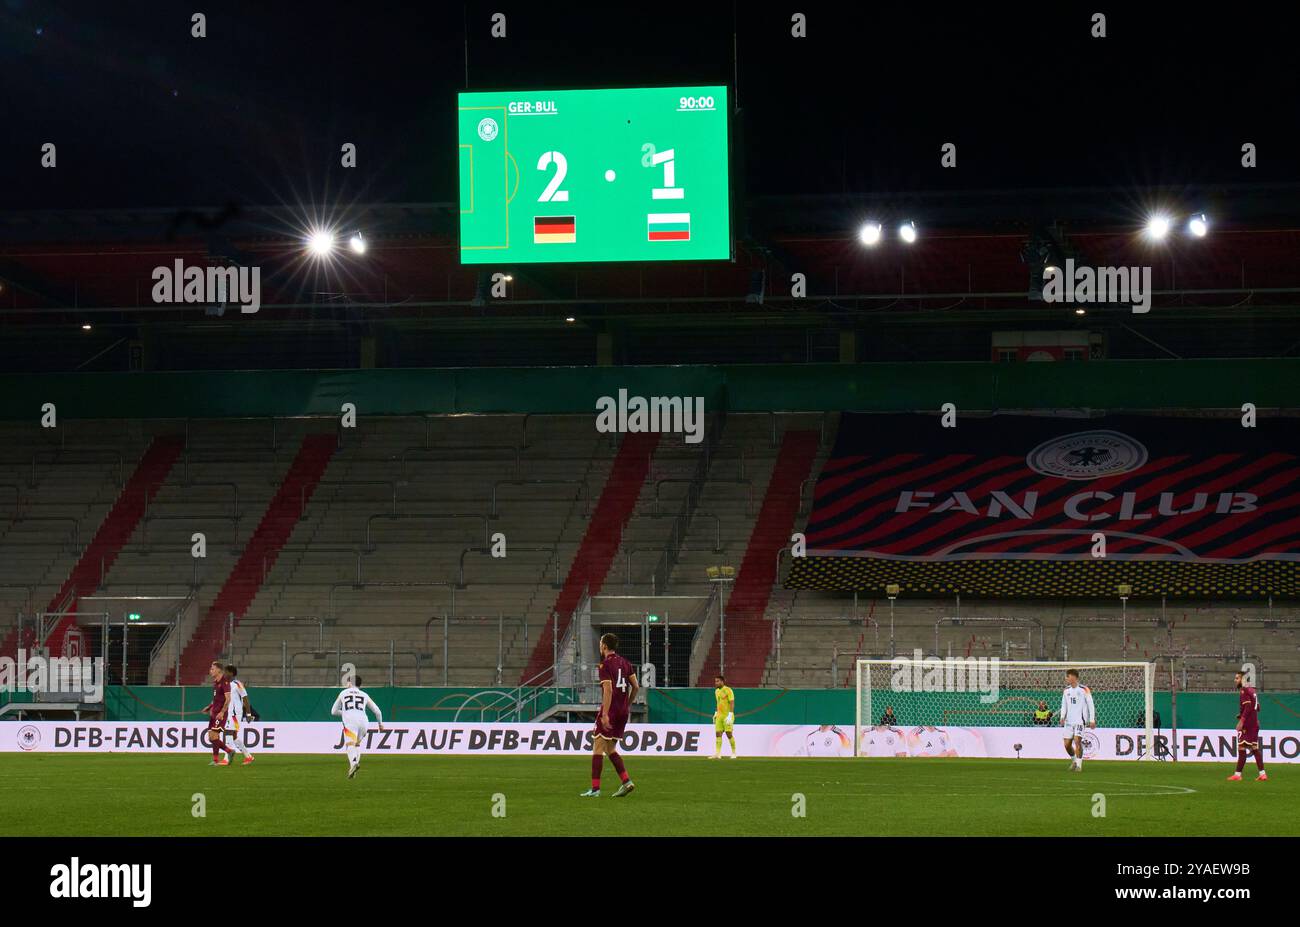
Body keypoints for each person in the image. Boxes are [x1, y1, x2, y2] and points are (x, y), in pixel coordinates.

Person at [580, 633, 637, 797]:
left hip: (610, 711)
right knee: (610, 748)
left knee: (597, 748)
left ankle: (595, 789)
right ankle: (627, 782)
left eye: (600, 643)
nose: (599, 646)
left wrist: (605, 714)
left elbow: (609, 689)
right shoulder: (625, 663)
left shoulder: (604, 665)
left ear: (604, 646)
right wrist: (627, 704)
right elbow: (636, 686)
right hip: (623, 712)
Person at [330, 675, 384, 779]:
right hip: (364, 722)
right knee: (357, 745)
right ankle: (353, 772)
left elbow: (333, 712)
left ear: (350, 683)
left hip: (351, 722)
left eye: (348, 682)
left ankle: (353, 763)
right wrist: (380, 724)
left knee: (350, 745)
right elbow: (377, 711)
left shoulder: (343, 693)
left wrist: (345, 713)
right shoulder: (364, 695)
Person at [1227, 669, 1267, 782]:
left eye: (1237, 678)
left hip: (1247, 725)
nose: (1235, 680)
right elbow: (1257, 707)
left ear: (1243, 679)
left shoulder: (1244, 691)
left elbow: (1249, 706)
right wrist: (1244, 715)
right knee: (1254, 748)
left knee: (1241, 747)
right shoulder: (1252, 691)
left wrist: (1242, 721)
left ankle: (1237, 775)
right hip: (1254, 723)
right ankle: (1262, 774)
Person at [201, 660, 237, 766]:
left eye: (212, 669)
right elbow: (216, 699)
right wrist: (209, 707)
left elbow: (228, 699)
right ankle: (228, 752)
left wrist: (222, 712)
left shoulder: (224, 682)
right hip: (214, 713)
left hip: (220, 714)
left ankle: (217, 759)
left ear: (219, 670)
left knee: (214, 736)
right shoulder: (216, 683)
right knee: (211, 738)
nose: (210, 671)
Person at [1060, 668, 1096, 772]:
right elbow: (1064, 705)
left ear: (1074, 677)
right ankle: (1074, 761)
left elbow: (1091, 705)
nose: (1066, 678)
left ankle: (1079, 765)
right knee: (1067, 745)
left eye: (1068, 676)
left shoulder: (1084, 689)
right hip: (1068, 722)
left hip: (1080, 721)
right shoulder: (1066, 690)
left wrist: (1092, 720)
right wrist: (1062, 717)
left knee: (1077, 741)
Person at [223, 664, 255, 765]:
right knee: (234, 736)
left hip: (235, 714)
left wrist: (248, 714)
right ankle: (248, 756)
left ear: (231, 673)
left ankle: (227, 758)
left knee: (227, 732)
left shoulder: (237, 684)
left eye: (226, 672)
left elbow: (245, 698)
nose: (224, 673)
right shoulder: (226, 684)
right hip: (230, 713)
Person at [711, 674, 737, 759]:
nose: (716, 683)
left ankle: (734, 753)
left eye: (717, 681)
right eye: (715, 681)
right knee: (718, 734)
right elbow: (718, 703)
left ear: (722, 681)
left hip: (727, 716)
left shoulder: (728, 690)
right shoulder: (716, 691)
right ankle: (718, 754)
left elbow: (732, 702)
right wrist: (715, 713)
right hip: (719, 715)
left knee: (729, 734)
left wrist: (730, 714)